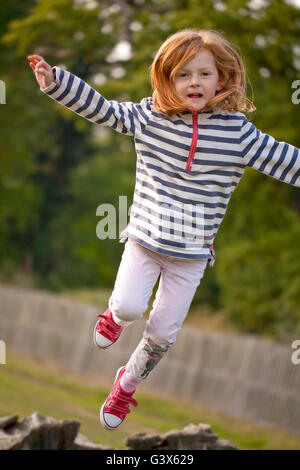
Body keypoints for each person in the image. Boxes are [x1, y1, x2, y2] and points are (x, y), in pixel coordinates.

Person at [27, 28, 300, 431]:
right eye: (184, 74)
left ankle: (126, 385)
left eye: (205, 74)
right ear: (167, 78)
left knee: (162, 335)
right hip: (145, 241)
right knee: (129, 308)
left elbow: (286, 159)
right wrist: (58, 84)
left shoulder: (238, 134)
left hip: (191, 257)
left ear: (221, 78)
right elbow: (104, 110)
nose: (194, 83)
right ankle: (115, 315)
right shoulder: (148, 117)